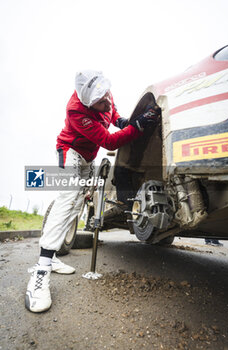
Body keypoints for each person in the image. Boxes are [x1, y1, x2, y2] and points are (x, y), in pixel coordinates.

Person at [25, 70, 161, 313]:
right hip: (70, 151)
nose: (107, 101)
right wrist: (137, 128)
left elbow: (113, 114)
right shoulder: (76, 110)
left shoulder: (103, 93)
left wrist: (128, 121)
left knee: (77, 204)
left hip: (88, 159)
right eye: (101, 102)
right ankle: (41, 271)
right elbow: (108, 141)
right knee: (68, 197)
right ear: (88, 103)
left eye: (107, 95)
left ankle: (53, 256)